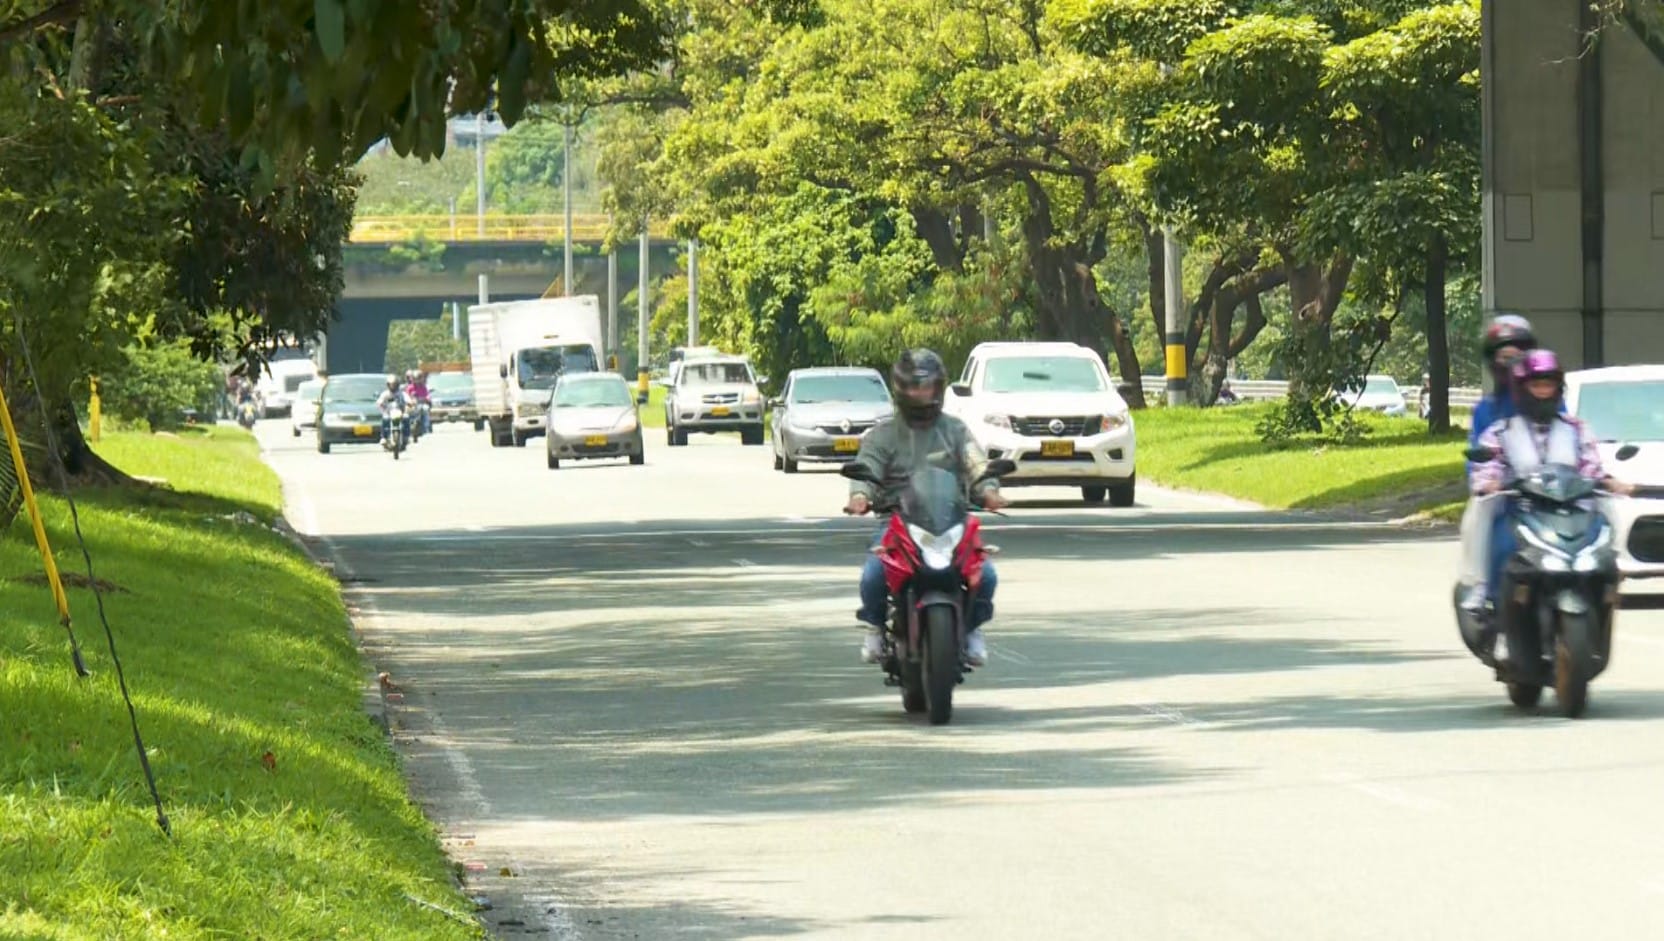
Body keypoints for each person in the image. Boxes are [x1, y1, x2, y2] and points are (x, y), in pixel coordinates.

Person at [844, 349, 1009, 666]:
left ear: (938, 388)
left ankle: (972, 629)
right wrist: (860, 496)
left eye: (927, 387)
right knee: (873, 574)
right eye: (913, 387)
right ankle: (876, 628)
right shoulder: (883, 435)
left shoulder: (956, 431)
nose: (920, 394)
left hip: (950, 522)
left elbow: (976, 463)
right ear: (900, 389)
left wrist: (989, 491)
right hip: (898, 522)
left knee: (985, 574)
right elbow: (868, 467)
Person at [1468, 349, 1634, 617]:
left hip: (1571, 508)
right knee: (1487, 518)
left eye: (1549, 384)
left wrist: (1608, 482)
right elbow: (1488, 464)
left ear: (1559, 388)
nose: (1544, 391)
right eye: (1537, 384)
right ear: (1522, 389)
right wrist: (1491, 482)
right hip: (1521, 509)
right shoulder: (1502, 431)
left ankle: (1610, 580)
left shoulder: (1576, 428)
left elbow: (1590, 464)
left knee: (1606, 519)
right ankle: (1484, 589)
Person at [1456, 314, 1540, 613]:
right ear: (1492, 361)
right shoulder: (1486, 410)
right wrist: (1486, 482)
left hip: (1548, 491)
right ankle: (1482, 588)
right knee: (1479, 517)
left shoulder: (1549, 399)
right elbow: (1477, 455)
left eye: (1518, 353)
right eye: (1504, 354)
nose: (1511, 361)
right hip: (1504, 492)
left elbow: (1572, 442)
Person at [377, 374, 408, 440]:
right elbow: (380, 401)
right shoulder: (385, 393)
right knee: (385, 419)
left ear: (397, 384)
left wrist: (410, 403)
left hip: (400, 412)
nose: (392, 386)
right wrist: (380, 404)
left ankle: (406, 436)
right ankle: (384, 437)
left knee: (406, 417)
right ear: (388, 385)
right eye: (391, 384)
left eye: (394, 384)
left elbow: (408, 399)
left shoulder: (402, 393)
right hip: (388, 412)